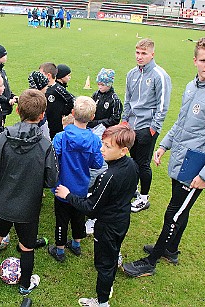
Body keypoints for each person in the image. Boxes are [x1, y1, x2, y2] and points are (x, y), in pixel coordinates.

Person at [122, 36, 205, 278]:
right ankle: (170, 249)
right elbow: (182, 122)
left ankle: (150, 262)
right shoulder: (194, 86)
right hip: (183, 158)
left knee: (174, 212)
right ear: (195, 60)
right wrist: (164, 145)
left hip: (198, 164)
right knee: (180, 208)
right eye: (203, 60)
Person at [0, 89, 59, 295]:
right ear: (42, 115)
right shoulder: (44, 144)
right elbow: (52, 179)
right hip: (27, 207)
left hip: (4, 202)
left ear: (17, 110)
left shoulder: (3, 138)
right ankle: (24, 285)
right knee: (26, 246)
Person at [55, 124, 138, 307]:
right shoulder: (132, 165)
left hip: (108, 226)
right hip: (123, 219)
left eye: (108, 147)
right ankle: (112, 268)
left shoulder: (108, 176)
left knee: (103, 265)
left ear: (123, 151)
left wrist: (67, 196)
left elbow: (91, 208)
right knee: (112, 254)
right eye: (102, 144)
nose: (101, 149)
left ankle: (101, 302)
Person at [48, 96, 103, 262]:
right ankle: (76, 244)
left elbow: (52, 160)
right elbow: (97, 163)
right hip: (81, 188)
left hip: (61, 187)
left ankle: (60, 249)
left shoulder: (60, 137)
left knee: (62, 218)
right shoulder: (94, 140)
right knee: (79, 216)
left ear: (72, 113)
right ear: (92, 117)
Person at [122, 38, 171, 213]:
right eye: (138, 53)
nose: (140, 57)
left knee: (143, 163)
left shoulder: (160, 75)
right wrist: (124, 120)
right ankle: (132, 190)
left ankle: (144, 198)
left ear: (152, 54)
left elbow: (163, 105)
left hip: (147, 127)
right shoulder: (131, 74)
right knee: (132, 161)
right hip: (131, 126)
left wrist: (153, 128)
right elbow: (127, 99)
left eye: (144, 53)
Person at [85, 68, 123, 235]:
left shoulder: (115, 100)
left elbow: (115, 119)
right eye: (98, 83)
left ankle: (95, 210)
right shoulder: (96, 95)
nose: (100, 86)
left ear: (109, 83)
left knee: (102, 162)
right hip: (93, 131)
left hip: (105, 134)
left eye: (103, 84)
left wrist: (100, 123)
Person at [39, 62, 75, 139]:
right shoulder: (43, 88)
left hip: (56, 123)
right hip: (46, 121)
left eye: (41, 74)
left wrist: (64, 112)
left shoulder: (58, 89)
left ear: (48, 75)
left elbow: (70, 100)